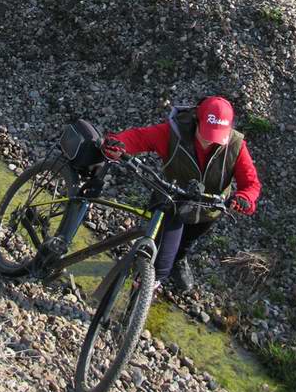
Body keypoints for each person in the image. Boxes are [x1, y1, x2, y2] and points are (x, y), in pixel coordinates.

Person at [102, 96, 261, 292]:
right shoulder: (174, 132)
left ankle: (180, 260)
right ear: (196, 120)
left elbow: (251, 184)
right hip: (172, 203)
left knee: (186, 242)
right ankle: (141, 295)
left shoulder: (236, 146)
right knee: (161, 263)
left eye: (217, 136)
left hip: (208, 210)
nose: (210, 141)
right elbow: (139, 137)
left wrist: (244, 198)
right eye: (207, 134)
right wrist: (118, 143)